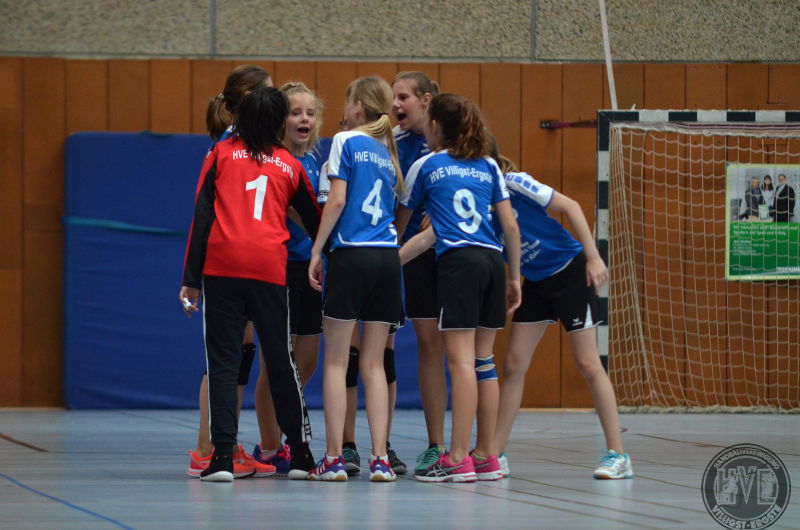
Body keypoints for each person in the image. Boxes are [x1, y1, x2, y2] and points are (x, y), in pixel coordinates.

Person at [180, 86, 321, 482]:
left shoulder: (220, 154)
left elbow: (202, 217)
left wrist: (190, 280)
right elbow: (315, 220)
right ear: (279, 121)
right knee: (281, 361)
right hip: (269, 270)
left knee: (223, 364)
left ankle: (222, 458)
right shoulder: (289, 164)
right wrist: (329, 255)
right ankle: (302, 455)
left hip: (222, 268)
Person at [395, 93, 521, 483]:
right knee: (484, 361)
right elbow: (510, 226)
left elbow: (401, 223)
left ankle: (456, 458)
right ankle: (486, 456)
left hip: (459, 264)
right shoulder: (488, 165)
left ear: (434, 126)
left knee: (461, 362)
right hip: (493, 262)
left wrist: (387, 262)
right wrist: (514, 277)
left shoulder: (427, 165)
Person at [486, 148, 633, 480]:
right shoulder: (479, 204)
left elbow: (571, 206)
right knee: (513, 363)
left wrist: (593, 257)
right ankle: (496, 453)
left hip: (571, 273)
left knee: (588, 363)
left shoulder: (515, 183)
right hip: (537, 282)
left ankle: (618, 454)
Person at [307, 76, 404, 482]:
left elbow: (337, 200)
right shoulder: (387, 151)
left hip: (351, 254)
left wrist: (317, 250)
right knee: (375, 364)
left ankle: (333, 458)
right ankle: (380, 458)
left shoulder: (345, 140)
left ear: (358, 107)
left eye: (348, 103)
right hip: (387, 259)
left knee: (335, 360)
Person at [186, 64, 276, 479]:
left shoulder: (257, 146)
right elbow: (203, 215)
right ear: (250, 101)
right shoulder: (226, 148)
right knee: (221, 358)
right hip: (225, 268)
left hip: (249, 266)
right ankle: (207, 447)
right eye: (270, 94)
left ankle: (226, 442)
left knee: (239, 356)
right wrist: (191, 279)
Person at [251, 81, 324, 475]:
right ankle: (269, 446)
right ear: (281, 120)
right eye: (296, 112)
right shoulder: (274, 162)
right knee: (276, 361)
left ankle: (283, 428)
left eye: (310, 113)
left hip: (310, 269)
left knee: (307, 359)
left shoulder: (315, 162)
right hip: (279, 266)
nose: (304, 119)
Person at [391, 72, 448, 474]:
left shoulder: (455, 140)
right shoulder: (392, 144)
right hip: (412, 255)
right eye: (393, 98)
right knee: (427, 345)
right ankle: (433, 444)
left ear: (426, 100)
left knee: (468, 352)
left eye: (403, 97)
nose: (395, 105)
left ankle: (480, 448)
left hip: (456, 255)